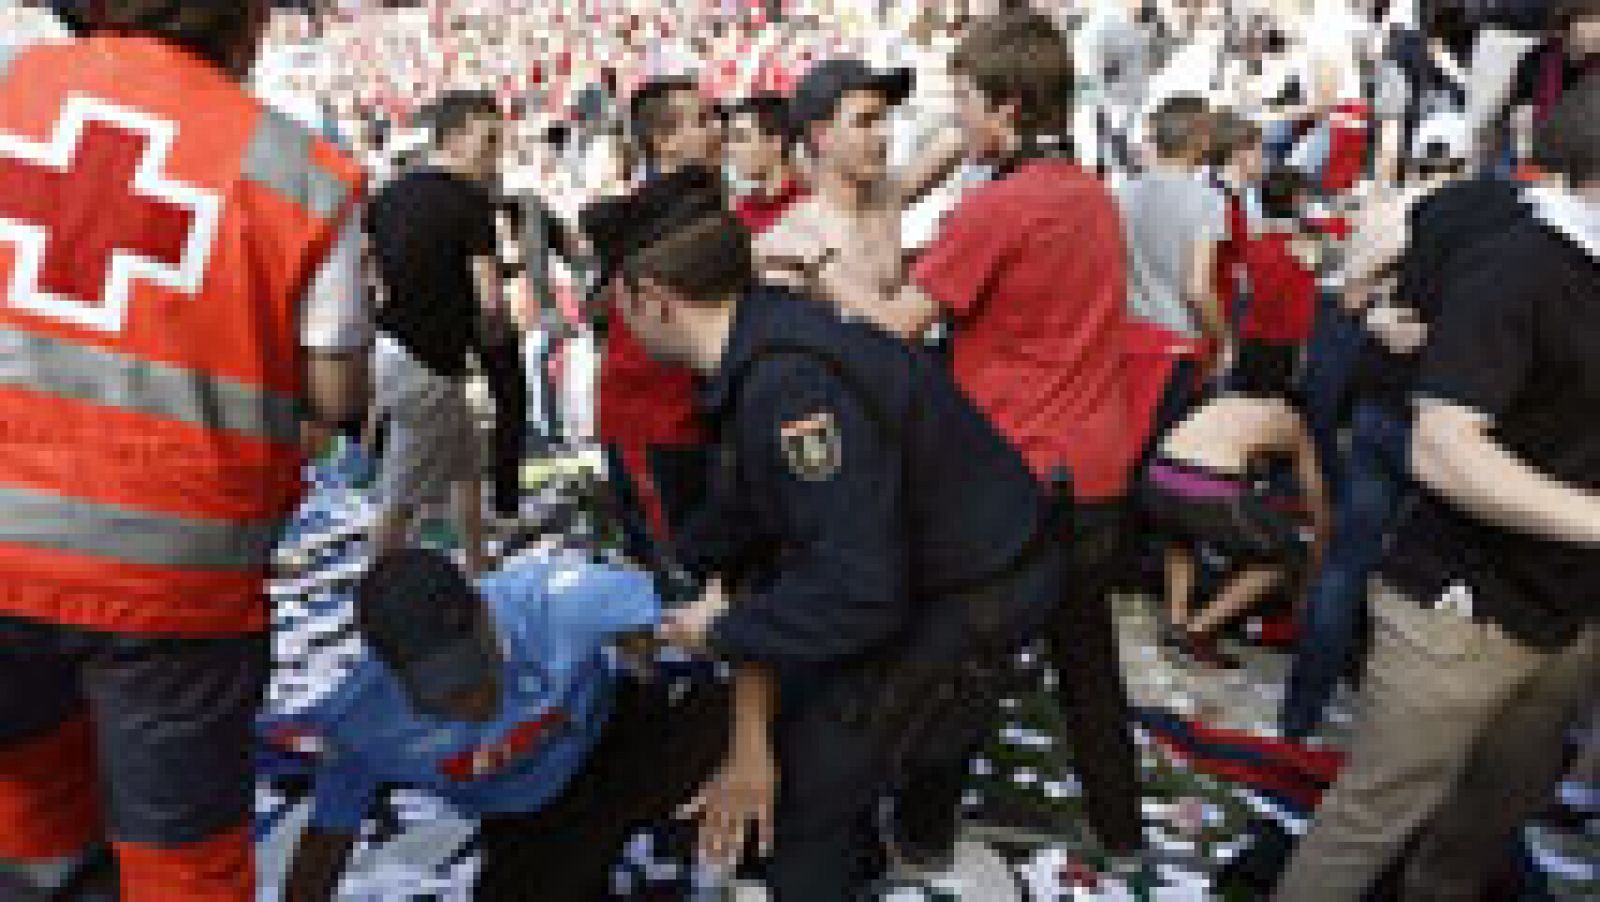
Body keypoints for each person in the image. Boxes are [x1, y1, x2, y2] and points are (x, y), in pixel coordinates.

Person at [586, 165, 1065, 900]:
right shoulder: (767, 337)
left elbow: (858, 594)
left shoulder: (789, 392)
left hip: (977, 588)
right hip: (956, 558)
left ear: (650, 299)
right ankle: (912, 825)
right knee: (833, 726)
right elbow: (771, 523)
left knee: (809, 799)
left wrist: (725, 632)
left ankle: (882, 841)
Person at [0, 2, 369, 899]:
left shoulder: (10, 87)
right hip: (176, 587)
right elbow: (336, 396)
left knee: (29, 820)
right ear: (247, 20)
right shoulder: (306, 173)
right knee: (184, 866)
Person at [797, 8, 1148, 867]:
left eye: (964, 101)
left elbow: (898, 323)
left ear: (1009, 109)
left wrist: (821, 268)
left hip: (1020, 478)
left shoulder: (1003, 206)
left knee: (962, 662)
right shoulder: (1092, 193)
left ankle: (919, 831)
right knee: (1088, 665)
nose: (954, 118)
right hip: (1099, 473)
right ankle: (1122, 831)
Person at [1274, 75, 1600, 901]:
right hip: (1458, 611)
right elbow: (1448, 452)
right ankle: (1302, 712)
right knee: (1368, 825)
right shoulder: (1523, 266)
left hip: (1566, 619)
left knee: (1479, 837)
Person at [276, 549, 735, 901]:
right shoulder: (358, 724)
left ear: (483, 612)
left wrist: (743, 757)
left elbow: (718, 622)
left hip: (616, 740)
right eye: (441, 695)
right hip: (526, 815)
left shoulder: (562, 601)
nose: (472, 705)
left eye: (474, 674)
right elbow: (326, 841)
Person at [366, 90, 505, 577]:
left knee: (466, 461)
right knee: (401, 496)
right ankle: (377, 592)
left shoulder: (388, 194)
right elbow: (490, 298)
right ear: (457, 136)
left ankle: (477, 563)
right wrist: (495, 334)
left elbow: (371, 277)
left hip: (389, 350)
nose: (496, 153)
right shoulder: (471, 201)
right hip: (425, 363)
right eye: (489, 140)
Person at [594, 76, 724, 568]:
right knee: (675, 568)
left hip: (696, 415)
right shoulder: (638, 223)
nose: (717, 131)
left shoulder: (702, 206)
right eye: (701, 121)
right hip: (653, 422)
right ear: (663, 140)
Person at [1142, 364, 1329, 669]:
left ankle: (1175, 624)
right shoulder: (1292, 420)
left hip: (1157, 477)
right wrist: (1312, 569)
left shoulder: (1223, 401)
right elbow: (1317, 503)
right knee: (1286, 554)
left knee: (1180, 534)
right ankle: (1197, 630)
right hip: (1206, 488)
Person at [754, 57, 965, 321]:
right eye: (865, 121)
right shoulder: (795, 241)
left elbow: (956, 140)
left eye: (883, 120)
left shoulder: (886, 197)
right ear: (821, 136)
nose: (882, 134)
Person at [725, 92, 807, 234]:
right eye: (729, 139)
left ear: (776, 142)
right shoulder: (740, 211)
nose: (730, 148)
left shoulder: (807, 203)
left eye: (741, 138)